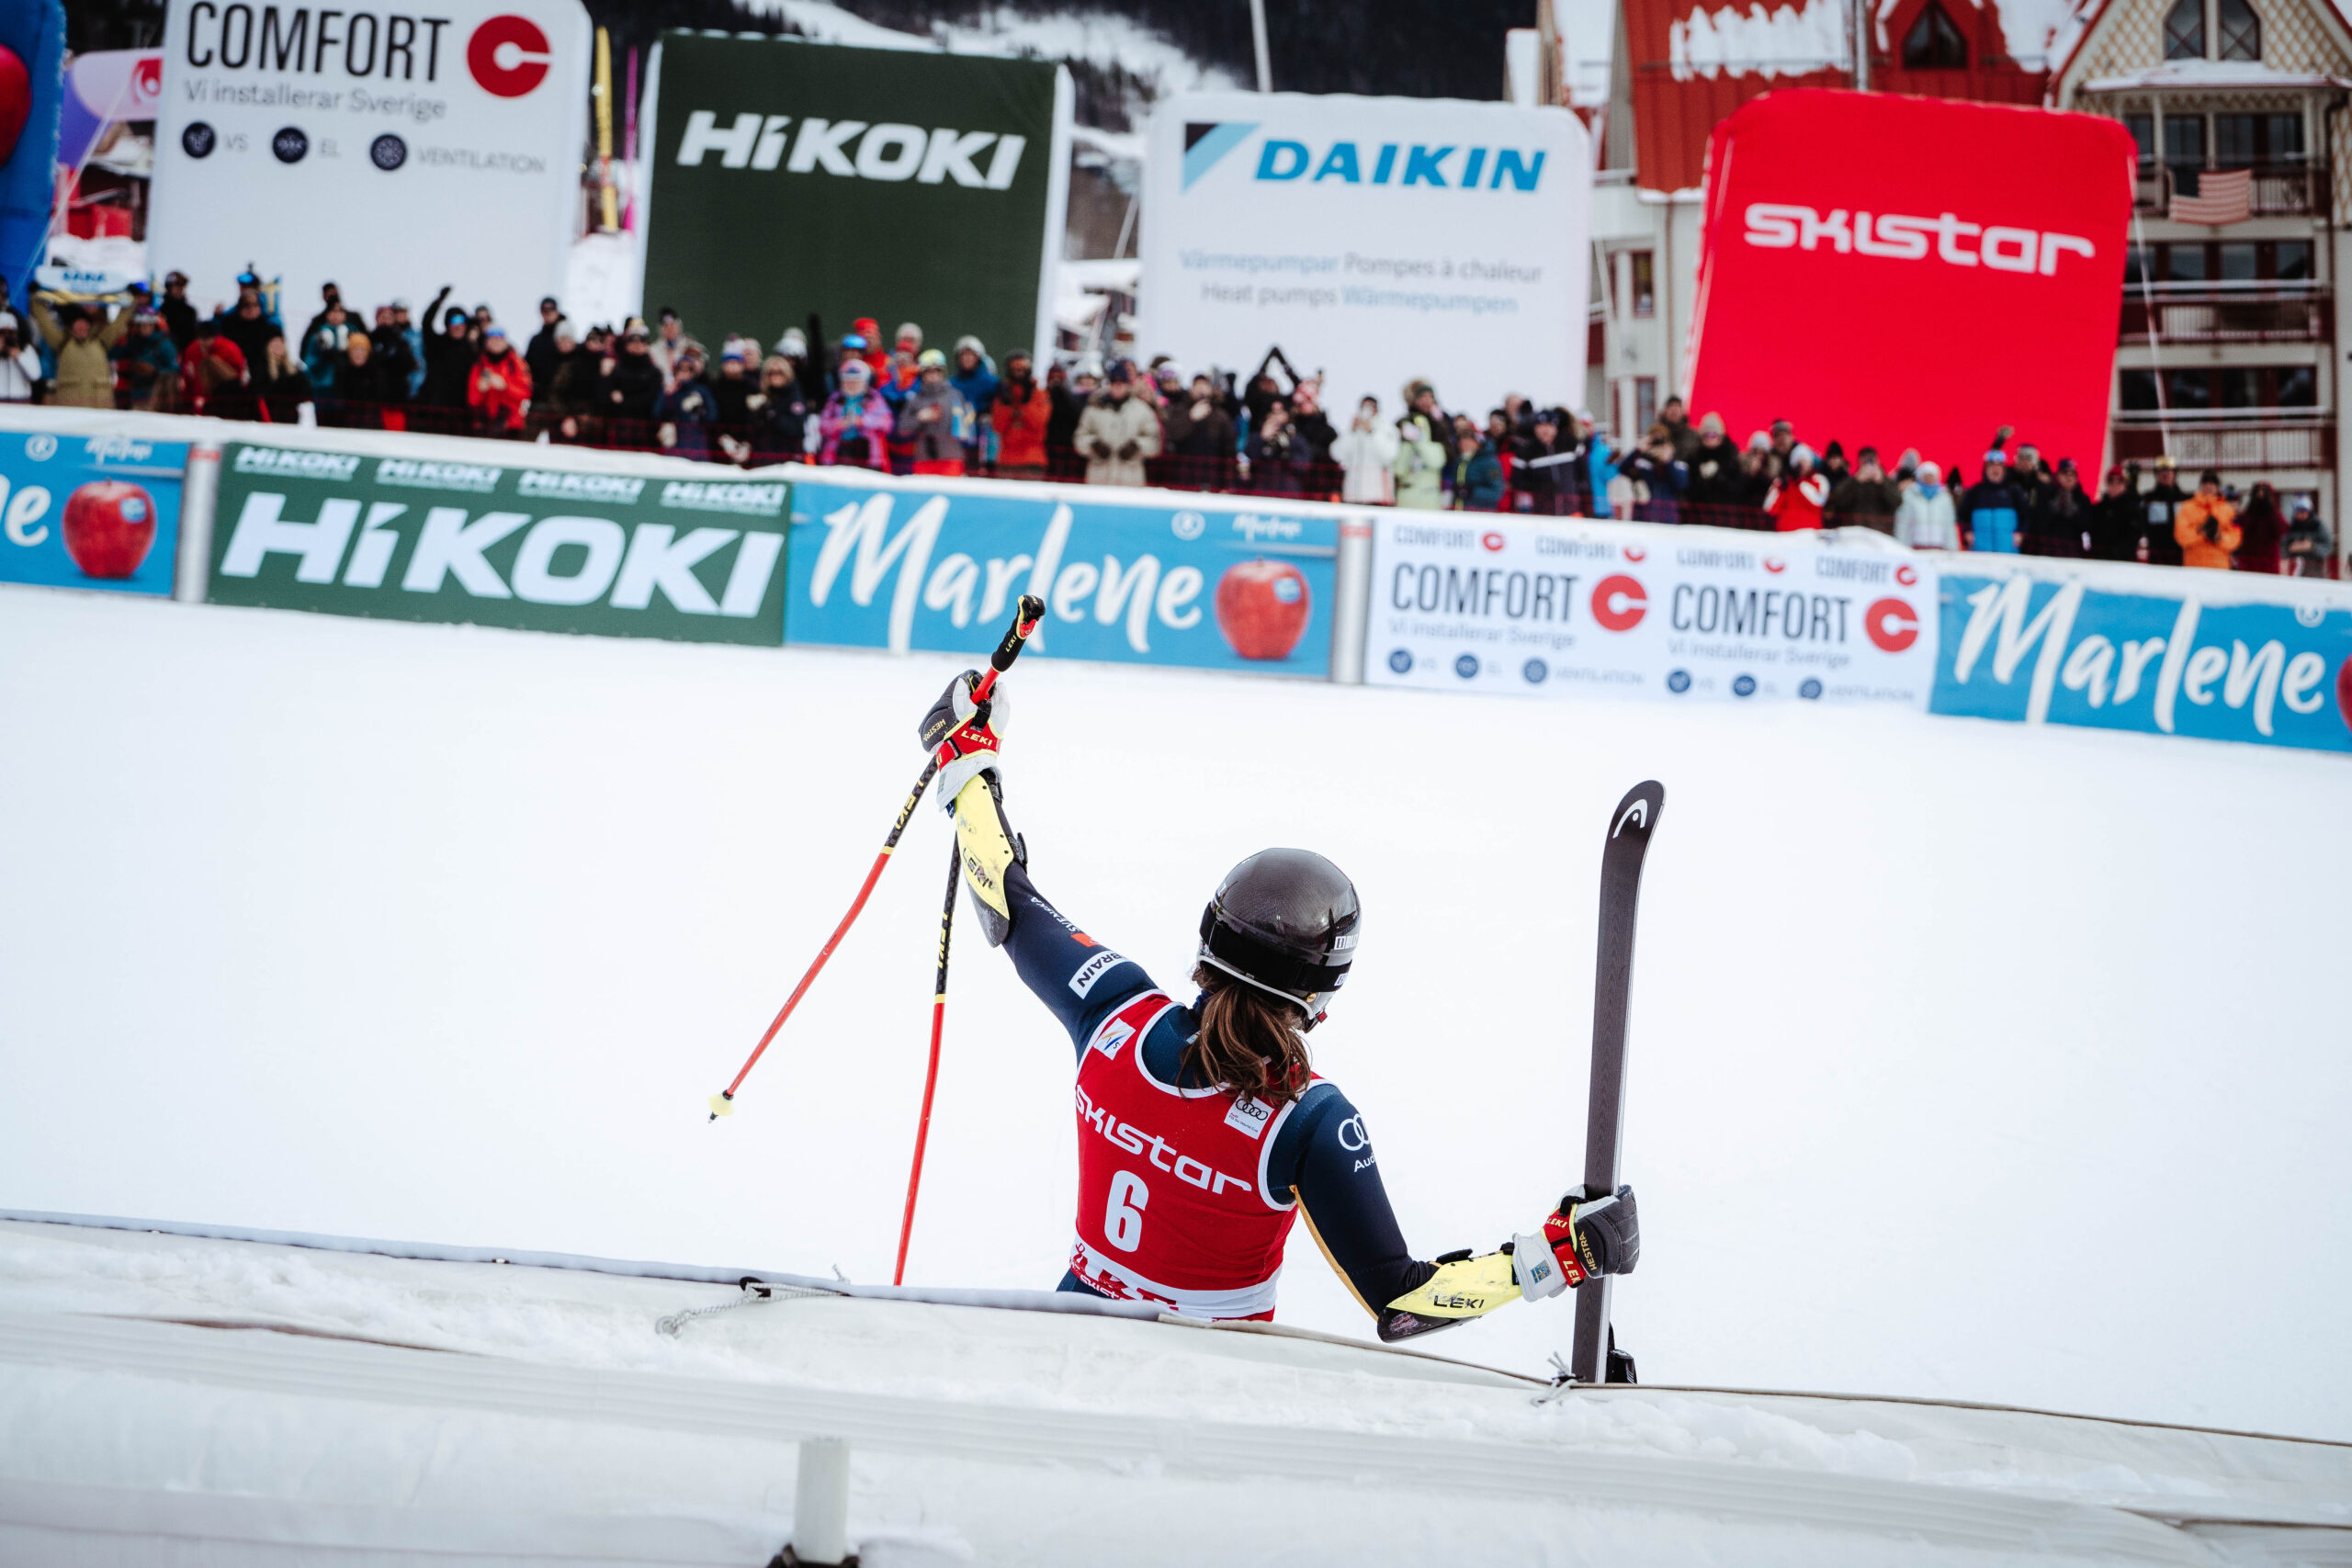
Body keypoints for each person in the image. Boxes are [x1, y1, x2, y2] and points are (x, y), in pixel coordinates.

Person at [914, 673, 1642, 1337]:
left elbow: (1006, 899)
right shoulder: (1311, 1118)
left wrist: (968, 763)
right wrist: (1561, 1254)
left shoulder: (1112, 1008)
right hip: (1209, 1391)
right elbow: (1404, 1298)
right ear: (1320, 992)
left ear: (1208, 940)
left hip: (1066, 1338)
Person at [29, 294, 128, 408]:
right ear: (71, 325)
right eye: (78, 323)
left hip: (100, 406)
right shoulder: (62, 342)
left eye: (85, 323)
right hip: (70, 406)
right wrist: (36, 295)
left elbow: (121, 320)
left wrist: (132, 298)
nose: (82, 326)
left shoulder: (101, 341)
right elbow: (43, 319)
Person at [1075, 358, 1160, 487]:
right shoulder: (1094, 409)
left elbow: (1154, 442)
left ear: (1127, 385)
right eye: (1115, 383)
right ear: (1109, 384)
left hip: (1130, 479)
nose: (1118, 387)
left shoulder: (1142, 411)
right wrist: (1094, 444)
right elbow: (1080, 438)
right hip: (1099, 477)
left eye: (1122, 383)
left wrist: (1137, 446)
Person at [897, 347, 974, 476]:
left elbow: (966, 429)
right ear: (922, 373)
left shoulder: (955, 396)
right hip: (924, 458)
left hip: (951, 458)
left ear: (942, 372)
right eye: (928, 371)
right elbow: (902, 429)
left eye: (937, 370)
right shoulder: (915, 398)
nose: (933, 375)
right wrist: (919, 418)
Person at [819, 356, 894, 468]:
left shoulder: (874, 399)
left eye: (855, 381)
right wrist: (839, 424)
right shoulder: (835, 399)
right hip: (838, 453)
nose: (851, 385)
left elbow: (886, 423)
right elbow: (822, 425)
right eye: (847, 381)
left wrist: (861, 421)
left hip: (868, 455)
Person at [990, 352, 1051, 479]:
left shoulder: (1039, 394)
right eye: (1015, 368)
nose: (1018, 372)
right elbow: (998, 426)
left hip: (1032, 460)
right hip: (1007, 460)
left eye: (1022, 368)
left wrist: (1025, 405)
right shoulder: (1003, 395)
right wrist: (1007, 408)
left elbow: (1038, 423)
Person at [745, 354, 813, 463]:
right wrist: (756, 412)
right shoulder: (762, 397)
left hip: (787, 458)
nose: (775, 376)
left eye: (779, 373)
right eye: (771, 373)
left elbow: (796, 428)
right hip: (763, 456)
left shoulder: (794, 396)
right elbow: (752, 430)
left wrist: (774, 415)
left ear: (786, 374)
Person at [467, 325, 533, 436]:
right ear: (487, 343)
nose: (495, 343)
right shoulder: (479, 365)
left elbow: (526, 392)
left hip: (510, 424)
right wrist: (480, 389)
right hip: (485, 424)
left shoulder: (517, 363)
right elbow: (472, 400)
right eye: (492, 340)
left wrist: (505, 385)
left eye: (498, 340)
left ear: (505, 342)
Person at [1331, 396, 1396, 504]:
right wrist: (1351, 432)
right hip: (1352, 496)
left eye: (1371, 407)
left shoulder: (1386, 429)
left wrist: (1371, 432)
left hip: (1379, 497)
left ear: (1377, 409)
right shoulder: (1353, 430)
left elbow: (1389, 455)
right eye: (1364, 407)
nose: (1367, 410)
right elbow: (1337, 454)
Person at [111, 308, 180, 412]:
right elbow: (113, 354)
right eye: (141, 325)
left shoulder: (164, 343)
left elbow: (175, 369)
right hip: (137, 393)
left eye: (148, 325)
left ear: (154, 326)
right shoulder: (135, 343)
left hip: (157, 394)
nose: (144, 328)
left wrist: (155, 371)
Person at [654, 345, 717, 458]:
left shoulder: (701, 391)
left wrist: (699, 410)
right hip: (674, 445)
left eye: (688, 370)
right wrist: (668, 396)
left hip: (696, 445)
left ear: (693, 373)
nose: (684, 373)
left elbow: (712, 416)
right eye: (681, 369)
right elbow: (657, 413)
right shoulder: (668, 391)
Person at [212, 270, 282, 371]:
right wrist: (217, 317)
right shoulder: (230, 319)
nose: (250, 308)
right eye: (241, 286)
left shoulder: (269, 319)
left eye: (246, 286)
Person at [1958, 450, 2026, 552]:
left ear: (2004, 469)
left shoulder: (2014, 490)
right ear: (1985, 469)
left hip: (2007, 548)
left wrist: (2020, 533)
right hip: (1980, 549)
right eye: (1991, 466)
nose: (1995, 469)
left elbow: (2025, 514)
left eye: (1999, 466)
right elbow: (1962, 515)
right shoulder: (1975, 491)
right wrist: (1967, 532)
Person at [599, 321, 664, 427]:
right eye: (633, 341)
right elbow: (609, 397)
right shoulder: (617, 369)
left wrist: (624, 400)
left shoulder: (654, 372)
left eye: (641, 341)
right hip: (620, 424)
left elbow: (650, 400)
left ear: (647, 344)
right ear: (626, 345)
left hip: (645, 426)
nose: (637, 345)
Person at [1620, 424, 1688, 525]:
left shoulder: (1677, 465)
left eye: (1660, 442)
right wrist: (1638, 450)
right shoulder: (1641, 463)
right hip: (1642, 519)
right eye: (1654, 442)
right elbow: (1622, 469)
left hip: (1667, 521)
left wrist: (1668, 462)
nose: (1657, 446)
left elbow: (1681, 485)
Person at [2174, 470, 2240, 569]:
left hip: (2219, 565)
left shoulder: (2227, 509)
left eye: (2212, 483)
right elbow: (2181, 535)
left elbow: (2235, 537)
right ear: (2201, 485)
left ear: (2217, 487)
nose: (2209, 486)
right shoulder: (2187, 507)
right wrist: (2202, 533)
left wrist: (2219, 537)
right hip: (2194, 564)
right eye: (2205, 483)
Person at [1826, 447, 1900, 533]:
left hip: (1881, 534)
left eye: (1871, 459)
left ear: (1878, 461)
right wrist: (1855, 481)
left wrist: (1882, 483)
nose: (1868, 464)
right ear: (1859, 462)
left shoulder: (1889, 482)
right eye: (1864, 460)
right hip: (1856, 533)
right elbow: (1839, 501)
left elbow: (1896, 502)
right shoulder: (1850, 481)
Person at [1246, 400, 1308, 494]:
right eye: (1273, 413)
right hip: (1261, 490)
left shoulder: (1296, 439)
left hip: (1288, 490)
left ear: (1286, 415)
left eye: (1279, 413)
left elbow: (1303, 466)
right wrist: (1262, 439)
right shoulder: (1256, 437)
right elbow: (1249, 460)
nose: (1276, 418)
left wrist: (1286, 449)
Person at [1894, 461, 1959, 549]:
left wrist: (1952, 548)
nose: (1929, 479)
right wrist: (1900, 546)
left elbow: (1949, 525)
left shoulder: (1945, 497)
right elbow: (1903, 523)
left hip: (1939, 547)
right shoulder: (1909, 495)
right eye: (1926, 476)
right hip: (1915, 546)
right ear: (1920, 477)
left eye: (1932, 476)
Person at [252, 331, 315, 419]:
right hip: (268, 415)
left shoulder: (294, 369)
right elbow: (258, 390)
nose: (278, 347)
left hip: (290, 415)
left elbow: (305, 391)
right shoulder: (262, 369)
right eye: (274, 344)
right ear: (268, 347)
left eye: (280, 344)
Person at [1764, 446, 1829, 531]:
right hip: (1787, 535)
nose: (1802, 465)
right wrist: (1779, 488)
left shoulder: (1819, 479)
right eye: (1799, 461)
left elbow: (1819, 502)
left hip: (1810, 535)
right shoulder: (1785, 483)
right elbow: (1769, 509)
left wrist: (1801, 483)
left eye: (1805, 461)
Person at [2085, 467, 2143, 562]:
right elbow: (2091, 532)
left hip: (2124, 561)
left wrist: (2117, 552)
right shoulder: (2099, 508)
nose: (2115, 484)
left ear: (2125, 484)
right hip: (2100, 560)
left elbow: (2134, 535)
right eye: (2111, 480)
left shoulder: (2133, 508)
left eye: (2120, 480)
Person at [1391, 414, 1445, 510]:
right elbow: (1398, 471)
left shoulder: (1436, 447)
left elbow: (1435, 463)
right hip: (1406, 498)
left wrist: (1419, 442)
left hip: (1428, 500)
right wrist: (1407, 445)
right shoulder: (1404, 448)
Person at [2141, 458, 2188, 566]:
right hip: (2157, 552)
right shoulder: (2148, 499)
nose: (2165, 474)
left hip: (2180, 553)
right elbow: (2142, 524)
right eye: (2161, 471)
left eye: (2169, 470)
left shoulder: (2185, 499)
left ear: (2175, 473)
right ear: (2156, 474)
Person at [1443, 427, 1503, 511]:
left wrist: (1471, 491)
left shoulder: (1490, 462)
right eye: (1461, 441)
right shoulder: (1460, 460)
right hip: (1460, 510)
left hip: (1481, 512)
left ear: (1477, 443)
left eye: (1468, 441)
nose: (1463, 444)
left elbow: (1496, 493)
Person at [2233, 481, 2285, 574]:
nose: (2260, 495)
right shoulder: (2246, 516)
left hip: (2268, 562)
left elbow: (2281, 531)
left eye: (2264, 492)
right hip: (2248, 561)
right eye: (2258, 492)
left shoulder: (2274, 515)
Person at [524, 297, 565, 391]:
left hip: (561, 395)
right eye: (544, 310)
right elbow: (526, 367)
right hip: (539, 396)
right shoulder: (536, 341)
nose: (548, 313)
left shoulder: (565, 339)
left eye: (551, 309)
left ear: (557, 312)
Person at [2282, 503, 2334, 577]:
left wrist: (2312, 546)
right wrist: (2290, 549)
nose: (2300, 515)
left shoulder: (2318, 527)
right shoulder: (2292, 528)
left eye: (2303, 512)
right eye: (2298, 512)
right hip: (2295, 572)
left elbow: (2328, 547)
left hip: (2316, 572)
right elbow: (2282, 547)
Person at [0, 313, 40, 401]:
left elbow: (36, 375)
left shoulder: (26, 349)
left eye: (11, 333)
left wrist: (20, 357)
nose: (6, 336)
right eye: (2, 332)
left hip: (21, 401)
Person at [158, 271, 198, 350]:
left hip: (185, 353)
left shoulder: (190, 311)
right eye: (177, 285)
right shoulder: (160, 310)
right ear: (169, 288)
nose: (180, 289)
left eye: (182, 286)